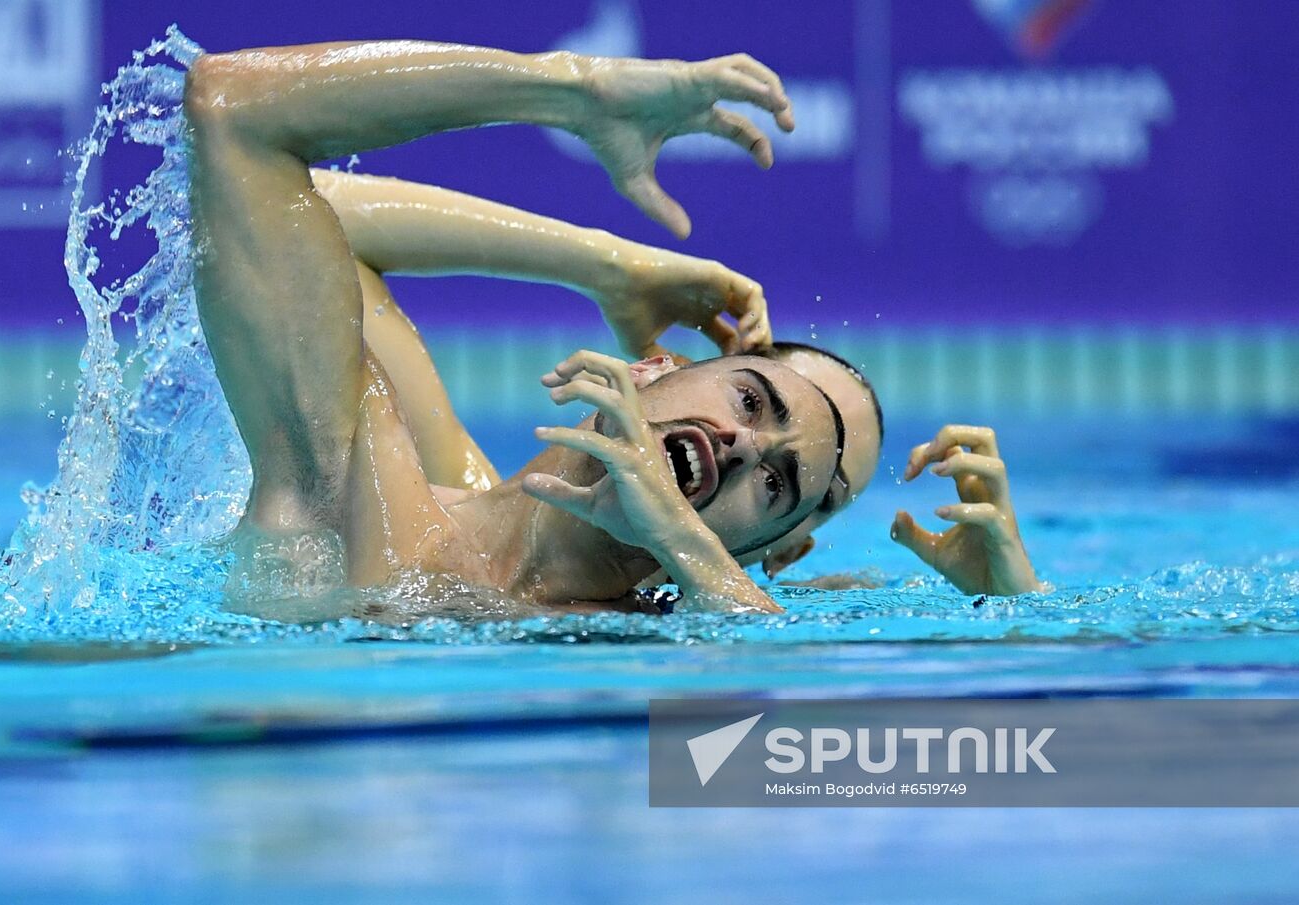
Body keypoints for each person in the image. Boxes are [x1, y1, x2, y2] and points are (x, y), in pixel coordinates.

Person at [184, 38, 1041, 618]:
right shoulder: (359, 472)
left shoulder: (681, 630)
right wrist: (600, 241)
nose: (744, 446)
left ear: (762, 555)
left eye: (777, 485)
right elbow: (248, 134)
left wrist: (1012, 618)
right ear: (654, 367)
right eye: (752, 396)